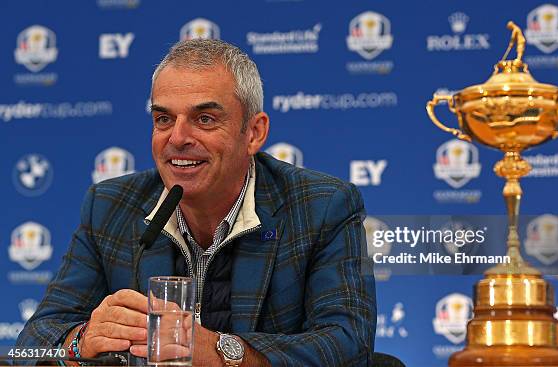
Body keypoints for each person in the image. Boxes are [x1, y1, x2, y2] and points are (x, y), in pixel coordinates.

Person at [16, 39, 376, 366]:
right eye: (163, 119)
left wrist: (220, 351)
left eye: (204, 119)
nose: (178, 138)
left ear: (254, 133)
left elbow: (348, 345)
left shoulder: (322, 207)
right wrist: (80, 344)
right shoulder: (110, 207)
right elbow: (30, 345)